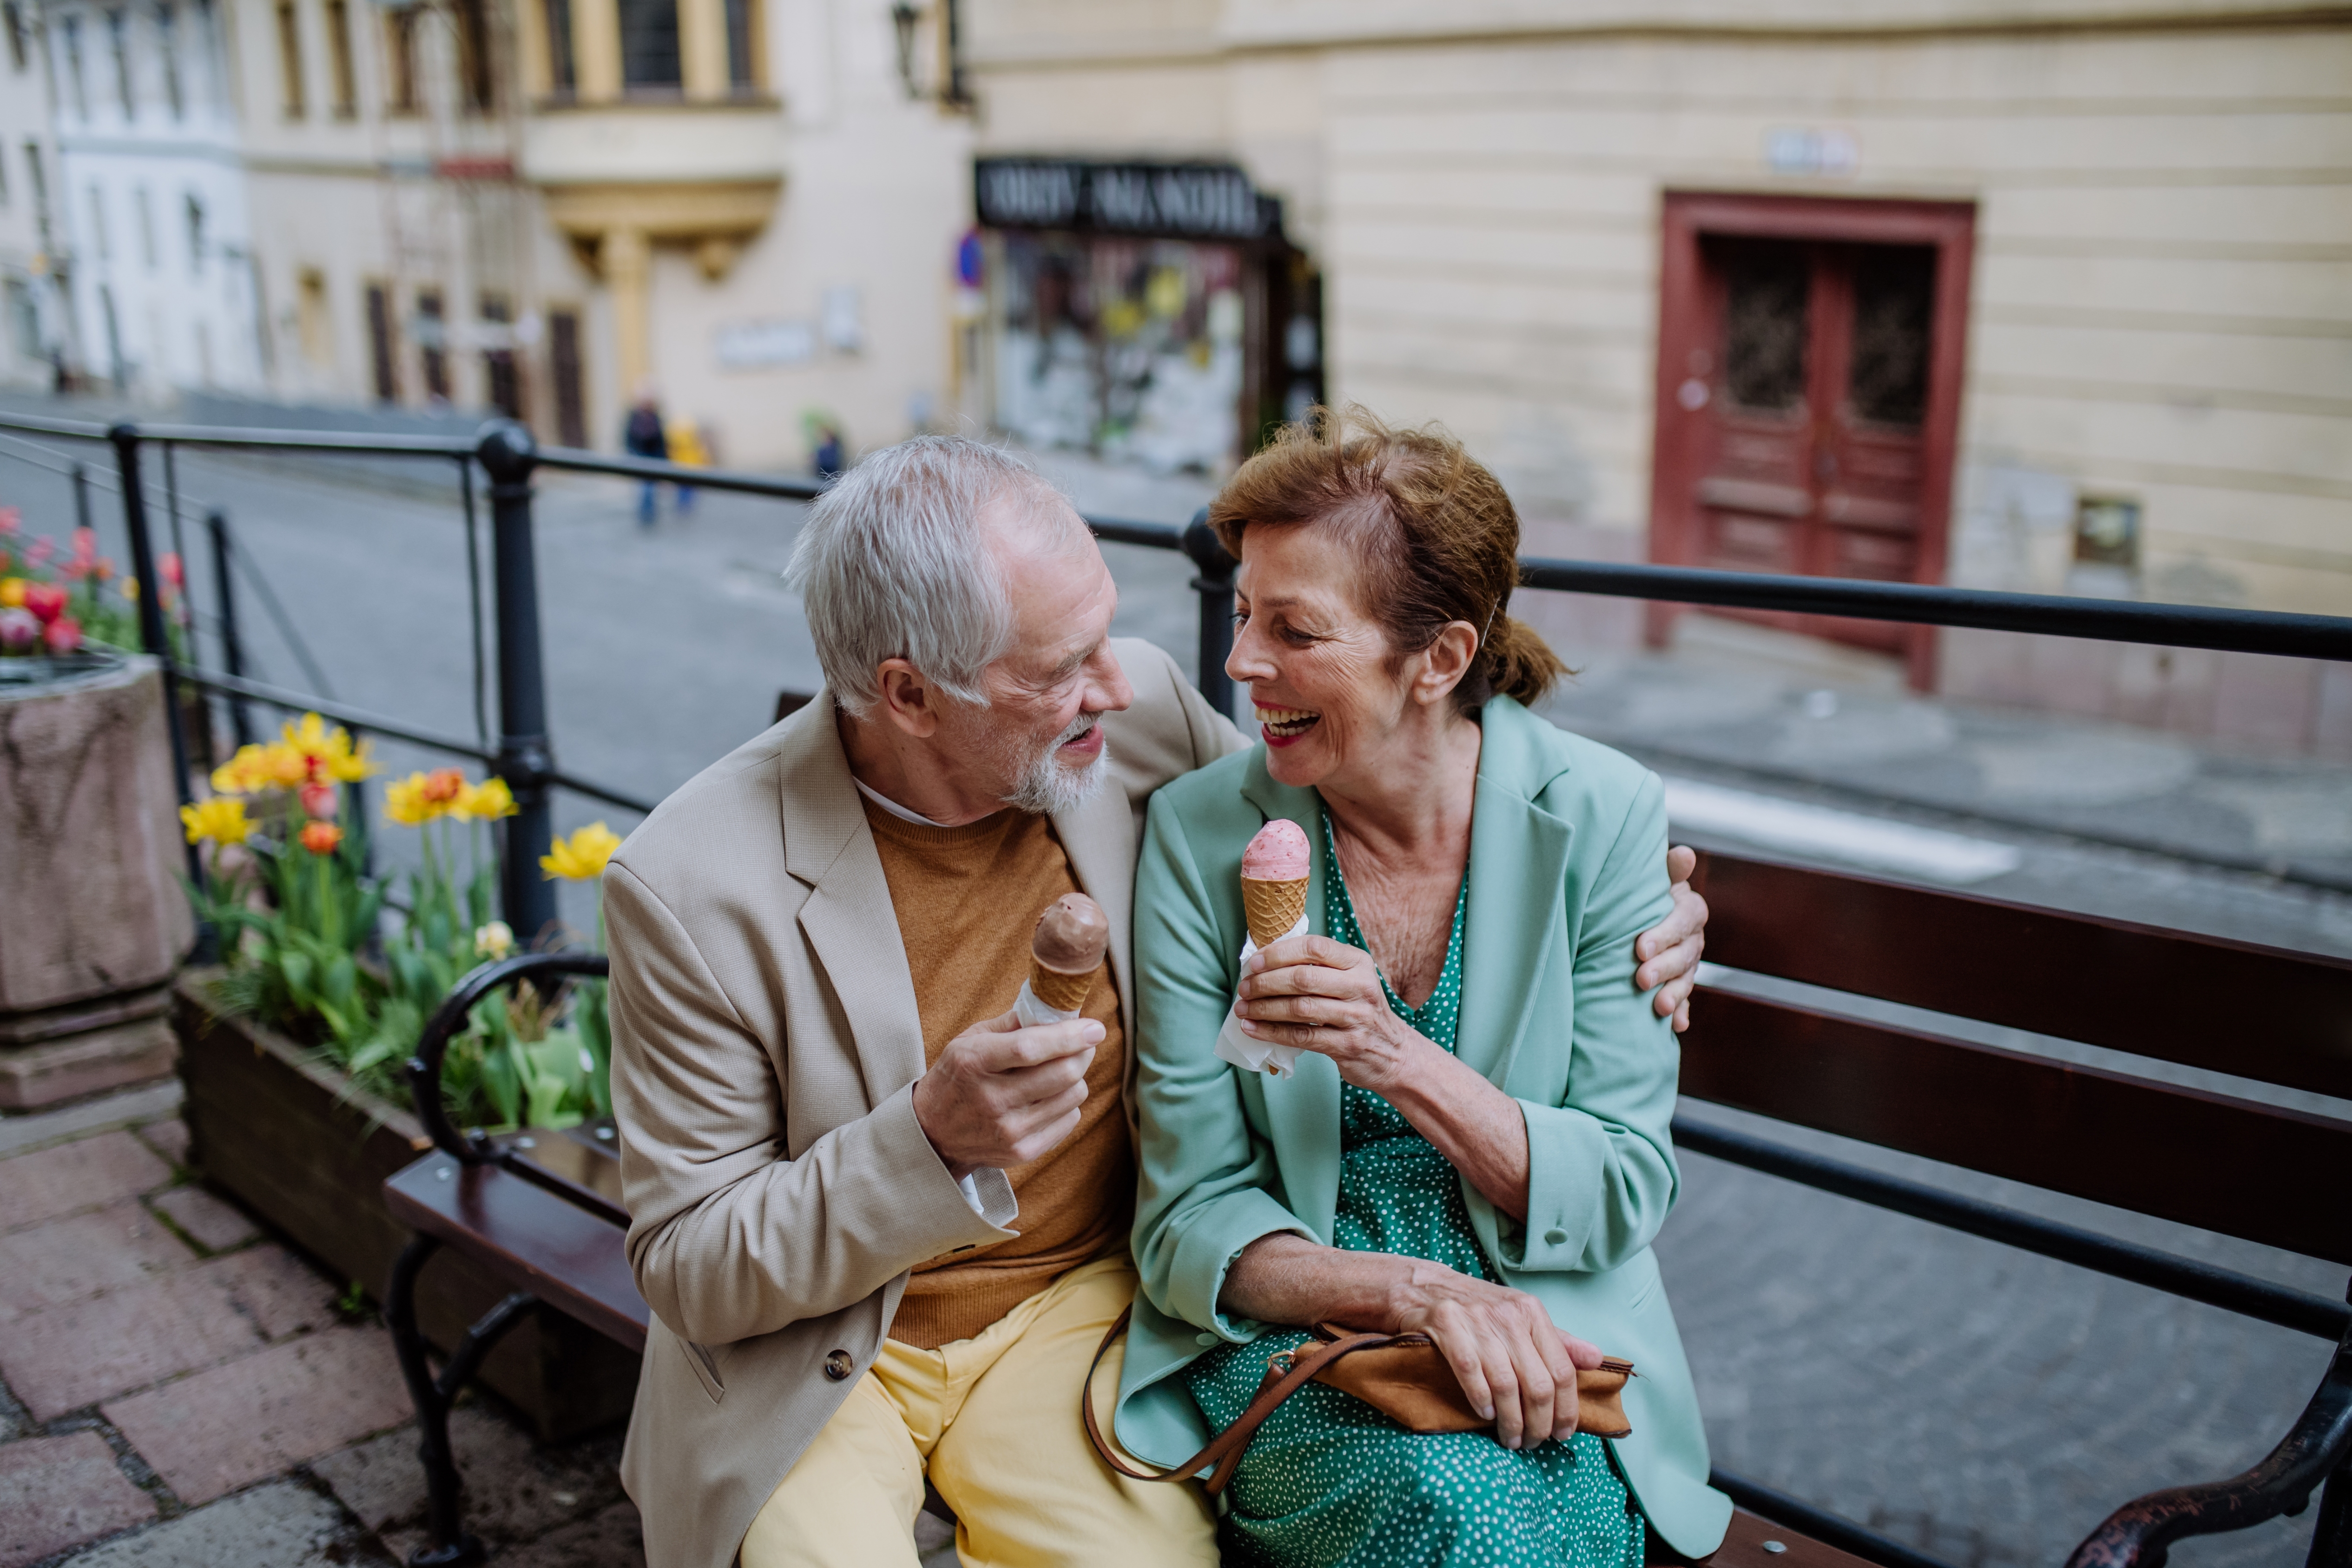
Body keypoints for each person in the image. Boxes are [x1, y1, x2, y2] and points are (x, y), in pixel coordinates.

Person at [600, 435, 1714, 1568]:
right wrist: (926, 1144)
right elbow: (691, 1265)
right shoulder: (691, 884)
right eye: (1066, 664)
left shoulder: (1131, 732)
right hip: (824, 1353)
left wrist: (1655, 910)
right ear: (909, 695)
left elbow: (1353, 795)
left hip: (1074, 1315)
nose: (1126, 683)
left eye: (1106, 636)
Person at [1115, 409, 1733, 1565]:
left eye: (1293, 630)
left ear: (1440, 660)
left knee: (1520, 1517)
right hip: (1305, 1327)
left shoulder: (1600, 821)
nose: (1243, 662)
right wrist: (1422, 1295)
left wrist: (1390, 1053)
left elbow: (1620, 1189)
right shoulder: (1206, 835)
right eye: (1243, 613)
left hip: (1555, 1335)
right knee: (1445, 1510)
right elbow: (1189, 1216)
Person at [624, 390, 668, 527]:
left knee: (651, 490)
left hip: (653, 459)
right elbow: (629, 438)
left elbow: (661, 441)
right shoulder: (634, 417)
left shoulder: (655, 417)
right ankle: (645, 516)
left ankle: (649, 515)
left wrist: (663, 460)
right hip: (640, 459)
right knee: (645, 489)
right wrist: (632, 455)